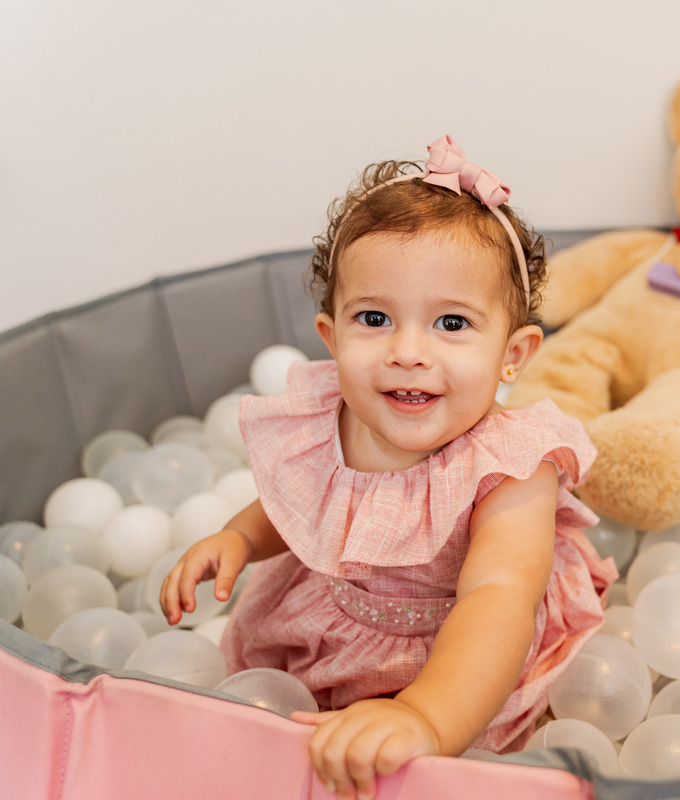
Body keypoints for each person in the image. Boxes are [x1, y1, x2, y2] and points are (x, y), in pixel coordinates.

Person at [159, 135, 617, 799]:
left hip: (464, 653)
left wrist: (425, 715)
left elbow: (498, 600)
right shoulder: (329, 420)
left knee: (466, 754)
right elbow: (303, 503)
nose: (407, 351)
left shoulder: (511, 468)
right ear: (332, 338)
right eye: (374, 318)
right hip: (335, 615)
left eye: (451, 324)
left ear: (512, 354)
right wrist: (239, 537)